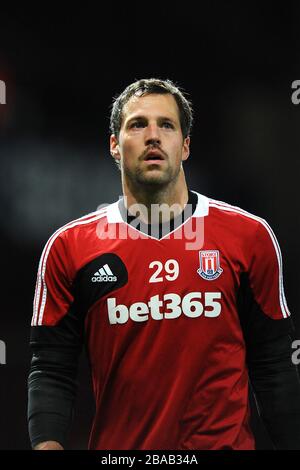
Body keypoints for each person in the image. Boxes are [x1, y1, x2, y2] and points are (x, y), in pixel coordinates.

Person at [28, 78, 300, 450]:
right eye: (138, 125)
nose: (153, 136)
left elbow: (274, 366)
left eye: (166, 125)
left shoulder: (248, 235)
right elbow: (51, 369)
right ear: (114, 146)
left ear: (185, 146)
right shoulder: (69, 248)